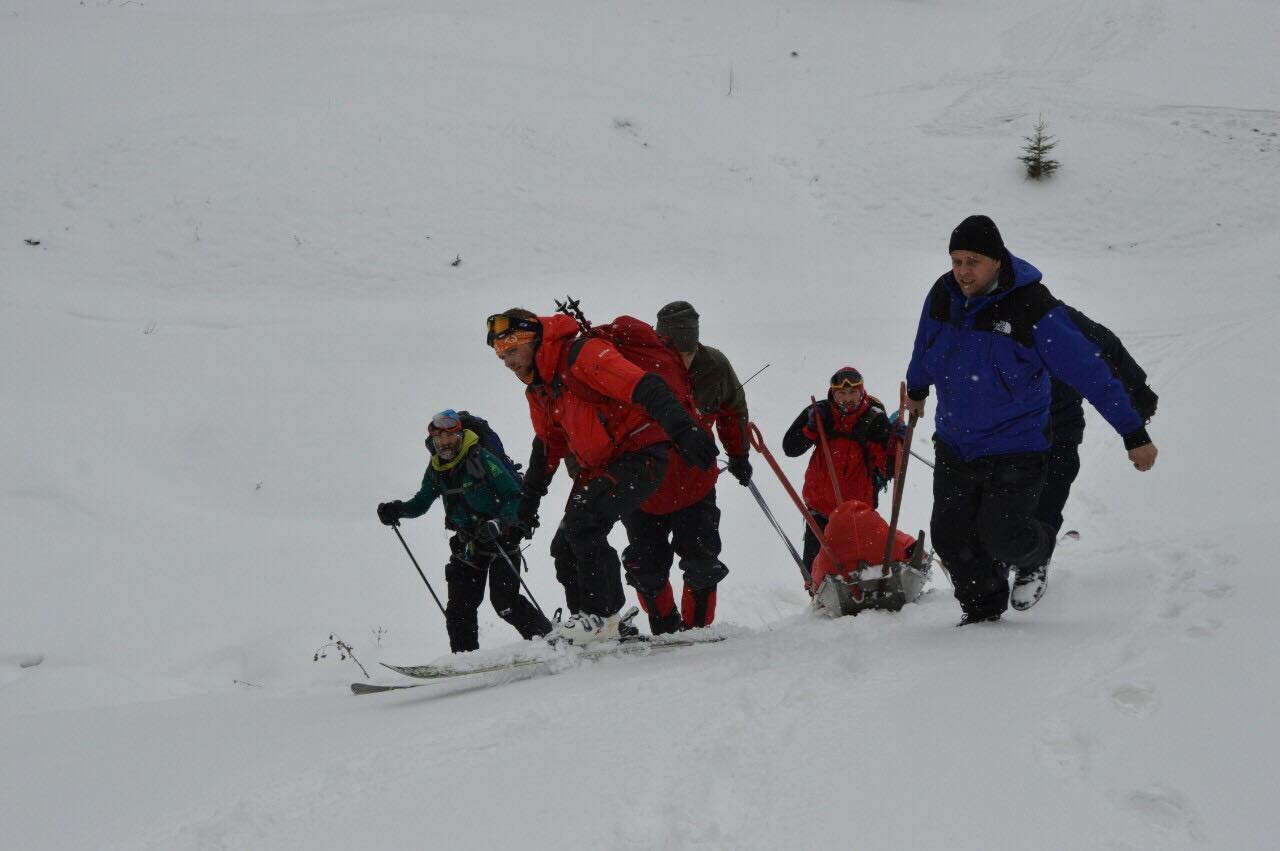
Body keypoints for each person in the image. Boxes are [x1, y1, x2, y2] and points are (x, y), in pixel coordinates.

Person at [905, 214, 1158, 625]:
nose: (963, 271)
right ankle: (983, 612)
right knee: (951, 539)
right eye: (957, 260)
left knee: (1008, 533)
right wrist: (917, 388)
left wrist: (1134, 429)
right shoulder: (944, 295)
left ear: (998, 261)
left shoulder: (1038, 310)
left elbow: (1095, 369)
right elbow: (926, 343)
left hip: (1021, 440)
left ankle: (1036, 554)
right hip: (957, 439)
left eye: (974, 261)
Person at [487, 308, 717, 645]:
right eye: (500, 355)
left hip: (642, 455)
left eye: (512, 350)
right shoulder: (540, 388)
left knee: (584, 524)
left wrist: (683, 430)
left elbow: (646, 386)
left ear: (533, 340)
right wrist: (526, 509)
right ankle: (589, 625)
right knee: (564, 547)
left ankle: (601, 617)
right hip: (605, 465)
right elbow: (548, 446)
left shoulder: (583, 354)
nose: (506, 361)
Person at [615, 301, 750, 634]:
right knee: (647, 567)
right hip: (643, 488)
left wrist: (739, 454)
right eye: (679, 353)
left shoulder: (714, 365)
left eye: (690, 353)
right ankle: (664, 625)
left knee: (702, 562)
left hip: (695, 485)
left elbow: (733, 411)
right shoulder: (634, 367)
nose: (685, 361)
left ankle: (697, 628)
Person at [376, 410, 551, 652]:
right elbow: (421, 502)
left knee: (505, 603)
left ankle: (548, 641)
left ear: (460, 435)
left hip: (502, 538)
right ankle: (464, 660)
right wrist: (397, 510)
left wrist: (500, 523)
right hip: (468, 544)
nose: (445, 444)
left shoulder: (482, 457)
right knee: (459, 607)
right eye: (439, 440)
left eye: (450, 437)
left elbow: (515, 496)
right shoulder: (437, 468)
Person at [1039, 307, 1158, 533]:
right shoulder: (960, 308)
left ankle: (1033, 564)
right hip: (997, 433)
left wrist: (1139, 395)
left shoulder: (1043, 309)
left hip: (1058, 424)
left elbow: (1104, 348)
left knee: (1046, 501)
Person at [781, 367, 895, 578]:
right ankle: (818, 604)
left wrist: (896, 444)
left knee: (857, 572)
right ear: (832, 393)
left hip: (857, 512)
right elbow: (790, 448)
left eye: (853, 393)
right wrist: (811, 429)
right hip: (819, 508)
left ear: (862, 392)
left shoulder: (873, 420)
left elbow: (889, 470)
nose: (847, 399)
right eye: (841, 393)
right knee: (815, 575)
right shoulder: (819, 412)